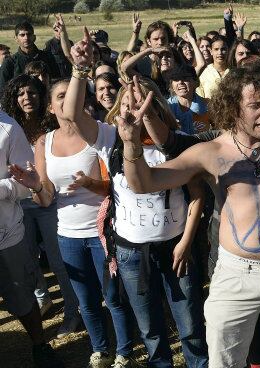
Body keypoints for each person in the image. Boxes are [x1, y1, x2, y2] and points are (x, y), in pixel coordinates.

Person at [113, 55, 260, 366]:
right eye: (256, 105)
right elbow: (144, 183)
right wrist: (132, 145)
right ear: (233, 107)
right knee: (224, 361)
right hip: (234, 274)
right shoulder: (210, 153)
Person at [64, 29, 209, 367]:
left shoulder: (175, 144)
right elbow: (73, 114)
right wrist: (79, 70)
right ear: (116, 109)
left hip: (176, 247)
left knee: (189, 326)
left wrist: (186, 243)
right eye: (127, 104)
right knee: (152, 331)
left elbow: (197, 196)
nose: (133, 111)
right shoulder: (109, 139)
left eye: (142, 104)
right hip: (131, 252)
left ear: (155, 106)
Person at [9, 79, 136, 368]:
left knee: (113, 297)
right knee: (86, 300)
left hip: (102, 232)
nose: (68, 101)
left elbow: (116, 187)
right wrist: (35, 186)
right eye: (61, 97)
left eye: (71, 95)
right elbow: (46, 198)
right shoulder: (45, 142)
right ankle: (100, 350)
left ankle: (124, 352)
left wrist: (90, 184)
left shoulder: (97, 135)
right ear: (52, 107)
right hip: (67, 234)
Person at [0, 74, 82, 337]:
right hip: (19, 205)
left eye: (32, 93)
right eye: (21, 94)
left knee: (58, 262)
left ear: (42, 98)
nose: (27, 98)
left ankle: (72, 312)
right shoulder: (13, 127)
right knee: (29, 261)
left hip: (47, 201)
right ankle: (41, 300)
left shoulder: (51, 124)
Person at [0, 21, 59, 93]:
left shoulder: (47, 57)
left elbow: (56, 82)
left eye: (29, 34)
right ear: (16, 38)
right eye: (22, 35)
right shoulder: (10, 63)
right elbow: (3, 91)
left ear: (34, 37)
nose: (26, 38)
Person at [165, 64, 211, 135]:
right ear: (172, 86)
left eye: (185, 78)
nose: (180, 82)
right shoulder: (165, 108)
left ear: (195, 82)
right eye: (176, 79)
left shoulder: (209, 105)